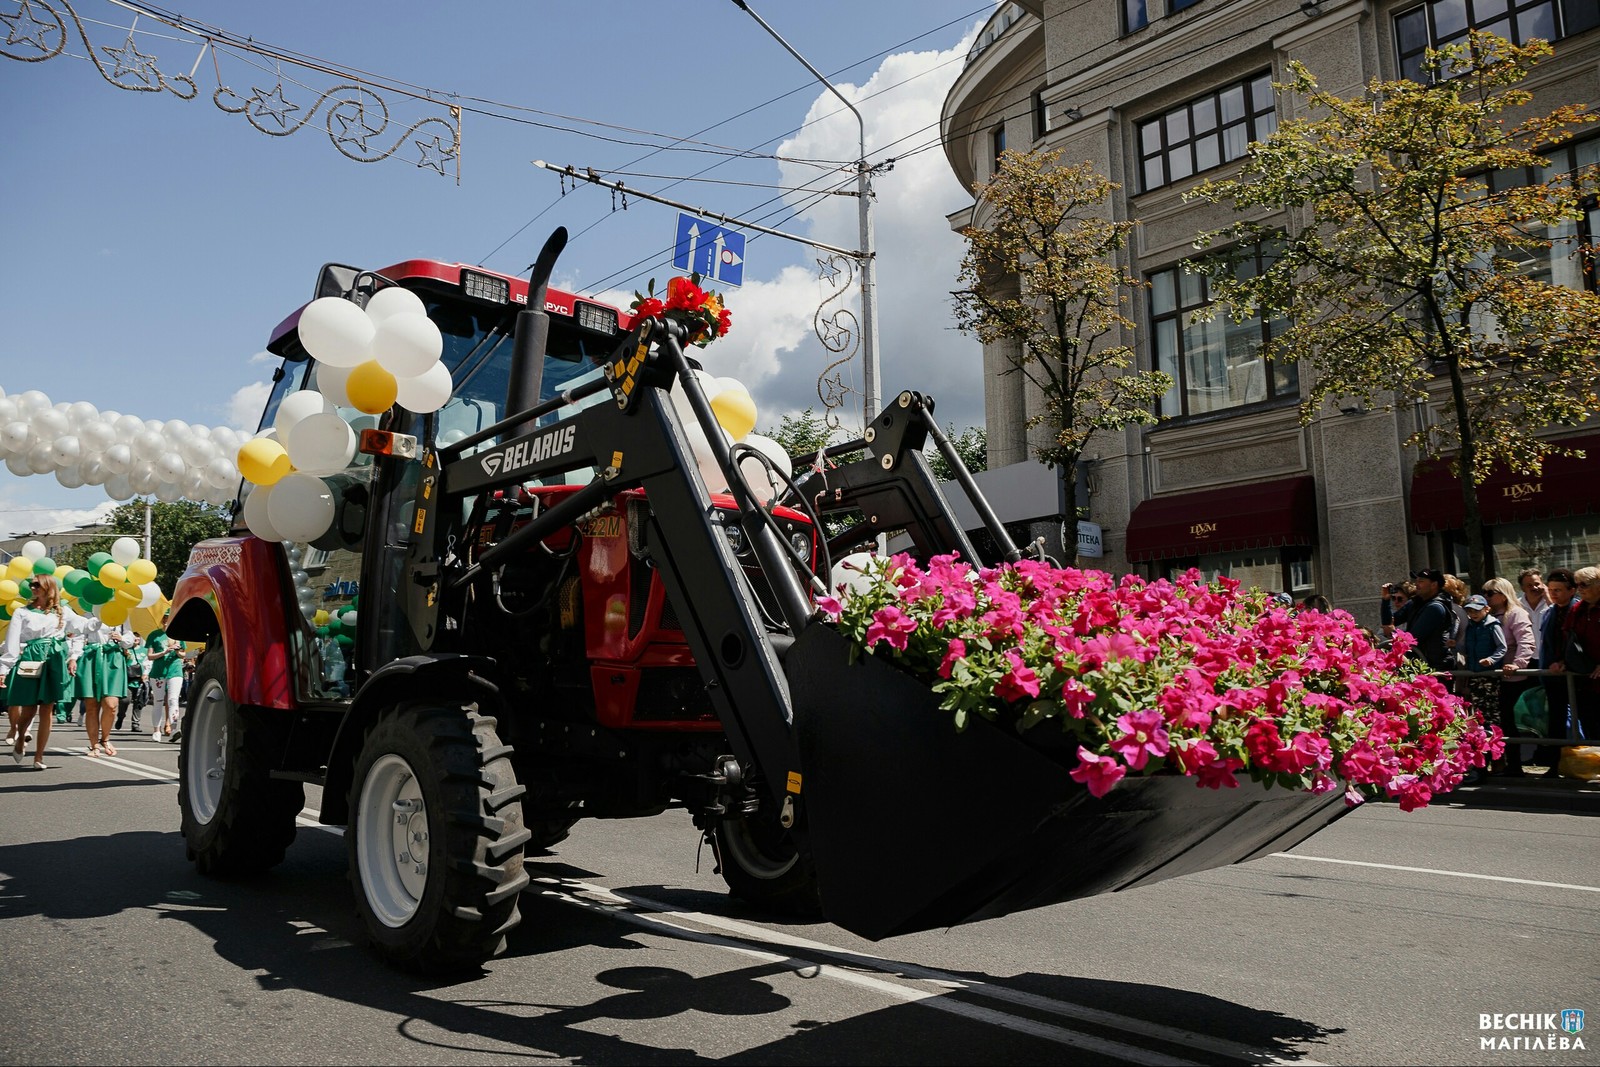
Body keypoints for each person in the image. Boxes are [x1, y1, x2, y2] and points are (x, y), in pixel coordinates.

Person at [1, 576, 91, 770]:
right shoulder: (22, 612)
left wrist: (103, 619)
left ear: (49, 588)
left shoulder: (62, 612)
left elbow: (83, 626)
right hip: (31, 657)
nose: (32, 588)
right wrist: (4, 668)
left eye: (37, 585)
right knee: (29, 708)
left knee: (47, 709)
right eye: (31, 585)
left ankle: (39, 756)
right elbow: (12, 642)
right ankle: (19, 736)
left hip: (54, 660)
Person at [1483, 577, 1535, 775]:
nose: (1486, 597)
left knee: (1509, 721)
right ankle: (1498, 763)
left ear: (1503, 595)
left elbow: (1526, 641)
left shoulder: (1516, 614)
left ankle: (1514, 765)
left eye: (1490, 593)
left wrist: (1518, 664)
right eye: (1485, 592)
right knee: (1495, 721)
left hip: (1512, 677)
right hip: (1492, 678)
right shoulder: (1487, 615)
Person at [1562, 565, 1600, 741]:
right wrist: (1562, 660)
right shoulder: (1577, 610)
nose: (1580, 589)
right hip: (1584, 679)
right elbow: (1567, 637)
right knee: (1591, 725)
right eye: (1577, 585)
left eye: (1584, 584)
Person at [1404, 569, 1454, 673]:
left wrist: (1393, 634)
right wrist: (1385, 600)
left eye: (1421, 581)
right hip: (1421, 663)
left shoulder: (1435, 607)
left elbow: (1413, 637)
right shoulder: (1415, 602)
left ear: (1434, 585)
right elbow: (1390, 620)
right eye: (1416, 581)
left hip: (1434, 666)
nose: (1416, 584)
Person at [144, 629, 185, 743]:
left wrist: (177, 652)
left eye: (169, 617)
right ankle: (157, 730)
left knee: (173, 699)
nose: (167, 621)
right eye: (165, 618)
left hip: (175, 671)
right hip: (158, 672)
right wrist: (165, 652)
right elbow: (150, 656)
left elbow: (183, 654)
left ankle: (173, 728)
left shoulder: (178, 634)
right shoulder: (154, 635)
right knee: (158, 701)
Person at [1518, 567, 1554, 665]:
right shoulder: (1517, 606)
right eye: (1529, 585)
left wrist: (1548, 598)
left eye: (1537, 584)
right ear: (1522, 588)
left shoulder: (1551, 603)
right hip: (1527, 659)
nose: (1534, 588)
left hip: (1550, 657)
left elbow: (1558, 617)